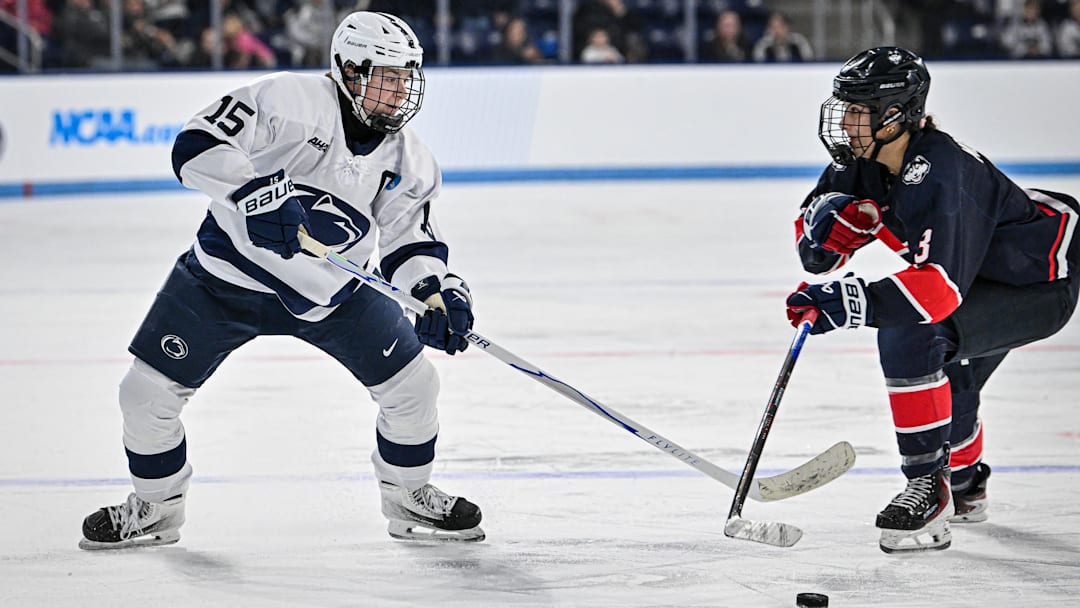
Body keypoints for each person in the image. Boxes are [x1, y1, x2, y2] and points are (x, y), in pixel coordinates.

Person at [79, 11, 485, 549]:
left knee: (414, 388)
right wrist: (253, 193)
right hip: (222, 280)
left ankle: (409, 494)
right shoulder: (289, 102)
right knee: (144, 394)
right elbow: (195, 145)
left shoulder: (410, 161)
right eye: (385, 76)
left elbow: (409, 242)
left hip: (333, 294)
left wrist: (433, 292)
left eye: (406, 77)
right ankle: (156, 507)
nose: (398, 91)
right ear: (348, 69)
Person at [785, 47, 1079, 553]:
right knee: (953, 382)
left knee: (913, 331)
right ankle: (966, 487)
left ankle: (929, 488)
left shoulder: (940, 169)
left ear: (895, 115)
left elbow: (938, 292)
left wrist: (847, 302)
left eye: (858, 110)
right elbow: (815, 257)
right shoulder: (861, 164)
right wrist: (828, 231)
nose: (845, 121)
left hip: (1037, 287)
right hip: (980, 279)